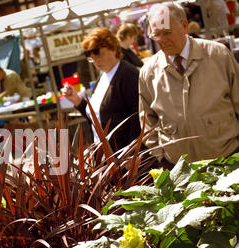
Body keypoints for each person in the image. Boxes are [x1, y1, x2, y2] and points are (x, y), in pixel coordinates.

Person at [139, 2, 239, 168]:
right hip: (179, 171)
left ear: (184, 26)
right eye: (156, 35)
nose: (161, 40)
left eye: (167, 33)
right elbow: (147, 122)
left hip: (228, 161)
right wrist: (160, 157)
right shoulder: (148, 72)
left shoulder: (218, 55)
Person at [61, 27, 141, 151]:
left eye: (100, 55)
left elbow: (138, 117)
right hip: (107, 155)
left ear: (113, 48)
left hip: (125, 157)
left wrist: (132, 152)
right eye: (92, 58)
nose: (96, 62)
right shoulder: (103, 76)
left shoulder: (127, 74)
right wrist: (77, 101)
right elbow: (97, 116)